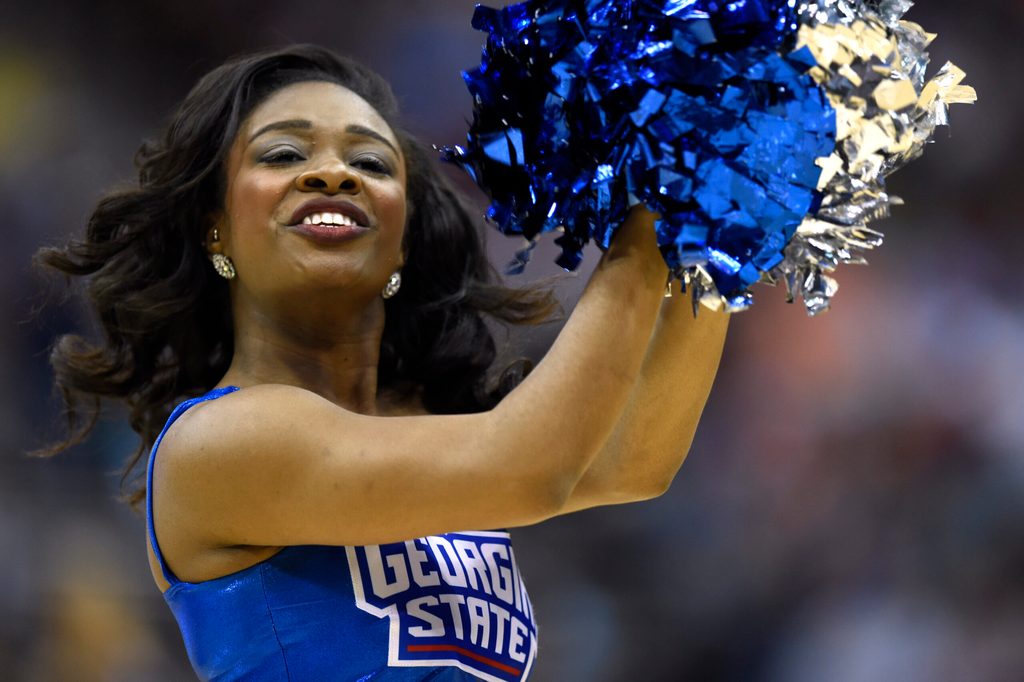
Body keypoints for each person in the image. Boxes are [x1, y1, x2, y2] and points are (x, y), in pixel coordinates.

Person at [37, 44, 728, 681]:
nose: (332, 172)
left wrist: (727, 222)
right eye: (281, 154)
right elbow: (538, 465)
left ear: (401, 244)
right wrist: (648, 192)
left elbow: (633, 462)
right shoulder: (217, 444)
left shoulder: (438, 434)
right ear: (214, 227)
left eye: (369, 163)